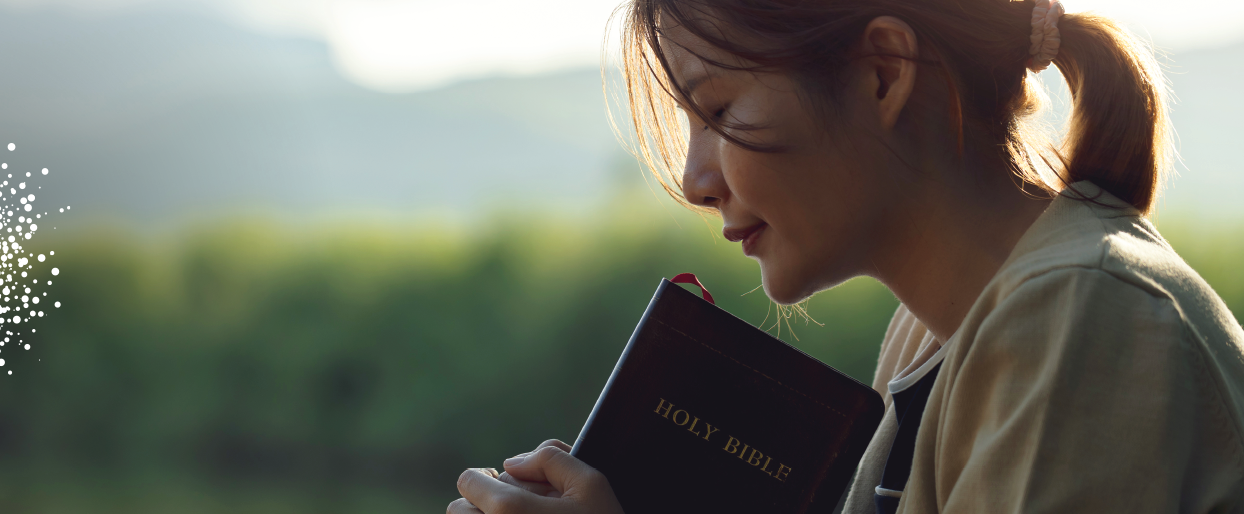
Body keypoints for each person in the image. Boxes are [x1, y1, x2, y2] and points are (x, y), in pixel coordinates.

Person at [448, 0, 1244, 511]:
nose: (694, 181)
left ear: (882, 72)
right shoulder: (929, 333)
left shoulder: (1079, 314)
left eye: (718, 109)